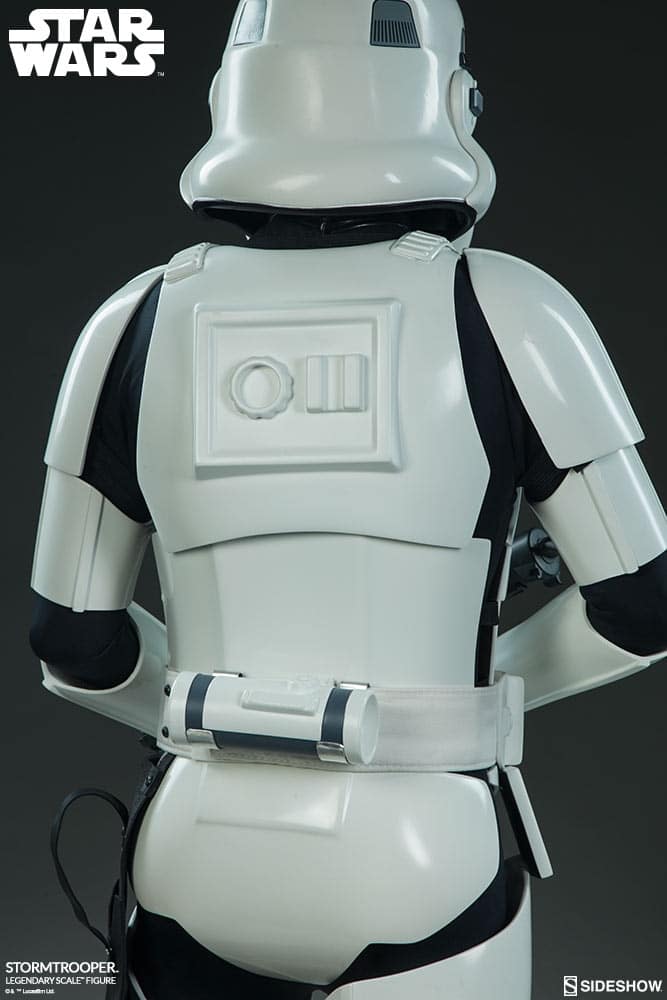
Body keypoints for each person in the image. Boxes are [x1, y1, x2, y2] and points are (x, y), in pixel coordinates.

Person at [29, 2, 667, 998]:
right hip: (416, 852)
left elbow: (73, 641)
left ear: (233, 96)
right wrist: (459, 700)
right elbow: (643, 606)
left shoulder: (131, 321)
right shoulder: (510, 309)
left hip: (196, 852)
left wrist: (221, 711)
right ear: (450, 99)